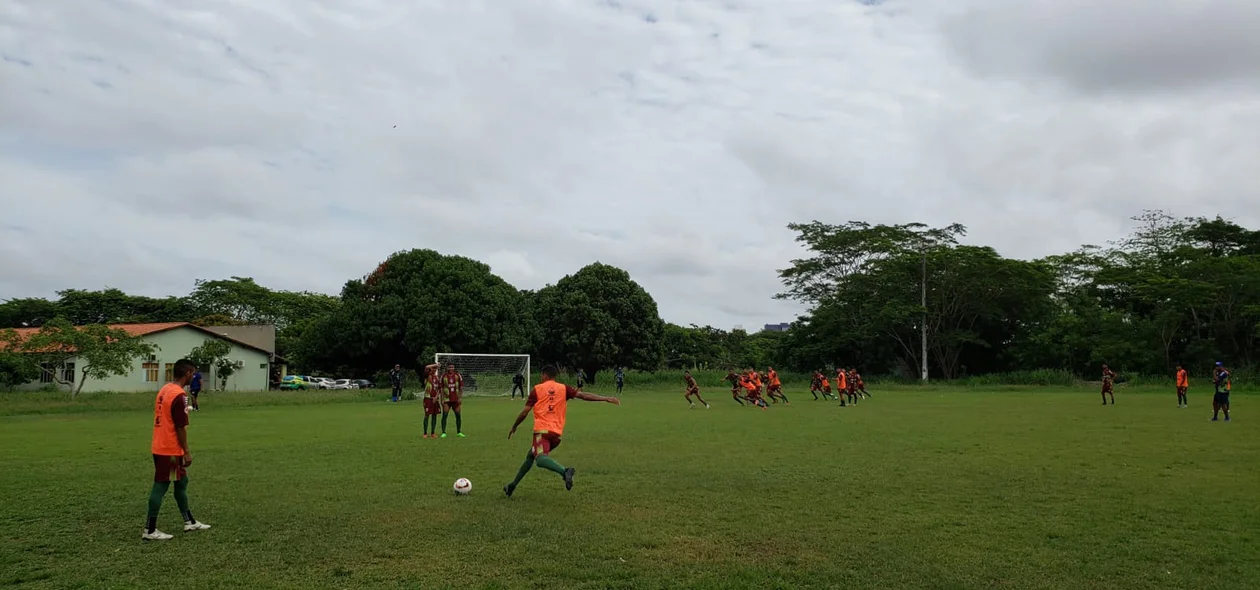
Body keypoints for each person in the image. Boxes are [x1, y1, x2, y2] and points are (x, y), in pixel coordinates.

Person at [503, 365, 620, 497]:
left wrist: (514, 426)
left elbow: (525, 412)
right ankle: (512, 486)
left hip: (542, 432)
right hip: (556, 435)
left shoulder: (537, 389)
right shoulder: (563, 388)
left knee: (540, 459)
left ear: (545, 376)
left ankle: (565, 471)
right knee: (531, 455)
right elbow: (583, 395)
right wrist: (604, 398)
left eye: (542, 376)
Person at [143, 359, 210, 540]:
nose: (194, 376)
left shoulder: (165, 389)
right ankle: (149, 530)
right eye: (193, 373)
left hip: (160, 445)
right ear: (188, 373)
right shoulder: (180, 395)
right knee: (162, 485)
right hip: (170, 449)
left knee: (181, 482)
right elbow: (180, 427)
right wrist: (186, 451)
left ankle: (189, 521)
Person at [440, 363, 465, 438]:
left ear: (454, 368)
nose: (451, 368)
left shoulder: (458, 375)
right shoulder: (443, 376)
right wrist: (442, 399)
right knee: (445, 415)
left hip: (456, 399)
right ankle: (443, 432)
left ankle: (459, 432)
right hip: (447, 399)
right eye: (449, 367)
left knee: (458, 415)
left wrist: (460, 398)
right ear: (447, 368)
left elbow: (461, 387)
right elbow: (441, 388)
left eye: (452, 367)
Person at [423, 363, 441, 438]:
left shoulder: (437, 378)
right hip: (428, 399)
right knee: (427, 415)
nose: (434, 370)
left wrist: (436, 397)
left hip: (435, 399)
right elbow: (426, 367)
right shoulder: (427, 376)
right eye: (433, 368)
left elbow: (439, 389)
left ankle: (433, 433)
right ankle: (425, 433)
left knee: (434, 415)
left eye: (435, 369)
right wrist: (436, 364)